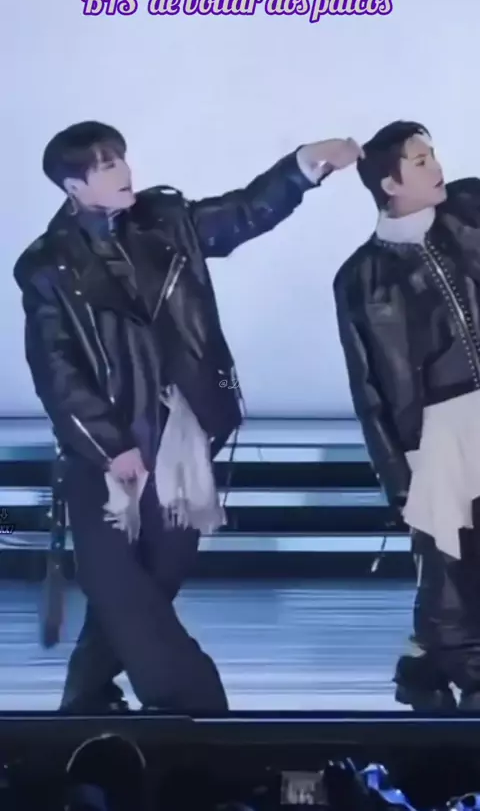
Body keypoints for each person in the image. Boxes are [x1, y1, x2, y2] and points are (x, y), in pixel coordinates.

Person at [14, 120, 362, 714]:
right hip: (106, 447)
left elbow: (243, 213)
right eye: (106, 166)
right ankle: (193, 706)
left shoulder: (167, 222)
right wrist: (110, 445)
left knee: (155, 579)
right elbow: (57, 368)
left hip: (181, 434)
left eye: (121, 159)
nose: (124, 172)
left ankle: (84, 705)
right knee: (115, 580)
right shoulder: (48, 266)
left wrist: (303, 166)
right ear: (73, 186)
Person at [333, 119, 480, 711]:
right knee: (449, 561)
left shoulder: (466, 217)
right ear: (390, 183)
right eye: (420, 162)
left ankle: (425, 666)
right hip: (436, 431)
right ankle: (461, 669)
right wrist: (398, 476)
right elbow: (368, 387)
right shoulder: (360, 277)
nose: (435, 167)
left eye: (433, 156)